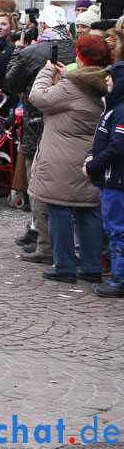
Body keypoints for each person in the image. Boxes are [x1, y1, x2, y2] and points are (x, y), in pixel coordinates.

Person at [28, 35, 110, 284]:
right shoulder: (104, 82)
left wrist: (46, 72)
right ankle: (92, 267)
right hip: (90, 158)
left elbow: (39, 98)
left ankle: (64, 265)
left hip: (62, 159)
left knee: (59, 210)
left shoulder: (73, 86)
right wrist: (66, 77)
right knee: (88, 212)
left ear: (81, 58)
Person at [6, 4, 76, 263]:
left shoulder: (32, 51)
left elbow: (11, 83)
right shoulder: (76, 48)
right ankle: (49, 238)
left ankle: (44, 242)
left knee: (39, 185)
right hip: (72, 125)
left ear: (43, 26)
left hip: (37, 123)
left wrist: (19, 50)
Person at [86, 61, 124, 297]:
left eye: (110, 77)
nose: (106, 80)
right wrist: (90, 156)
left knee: (117, 230)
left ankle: (119, 279)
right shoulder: (114, 106)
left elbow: (118, 146)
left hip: (116, 181)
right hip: (110, 179)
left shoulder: (120, 110)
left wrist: (93, 165)